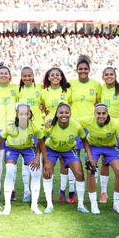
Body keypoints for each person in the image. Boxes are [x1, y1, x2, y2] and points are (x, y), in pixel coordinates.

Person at [0, 103, 48, 215]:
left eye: (26, 113)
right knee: (9, 171)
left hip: (28, 148)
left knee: (36, 172)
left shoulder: (34, 126)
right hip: (12, 148)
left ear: (30, 115)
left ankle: (34, 205)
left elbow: (42, 142)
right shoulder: (10, 126)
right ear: (17, 114)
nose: (23, 116)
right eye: (21, 113)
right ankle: (7, 206)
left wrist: (39, 158)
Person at [43, 103, 93, 214]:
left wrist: (90, 157)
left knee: (79, 174)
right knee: (47, 173)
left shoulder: (76, 126)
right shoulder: (50, 125)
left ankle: (80, 204)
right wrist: (41, 158)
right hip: (51, 149)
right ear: (57, 114)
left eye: (66, 112)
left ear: (70, 113)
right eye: (61, 112)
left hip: (69, 150)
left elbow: (85, 141)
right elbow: (41, 140)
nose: (64, 115)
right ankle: (49, 204)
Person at [77, 104, 119, 214]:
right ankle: (94, 204)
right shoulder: (88, 120)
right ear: (94, 114)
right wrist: (53, 121)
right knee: (90, 171)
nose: (101, 116)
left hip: (110, 148)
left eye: (103, 113)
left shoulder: (115, 123)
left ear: (107, 114)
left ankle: (116, 204)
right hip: (93, 147)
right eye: (98, 113)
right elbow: (72, 122)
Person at [68, 55, 101, 204]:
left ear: (89, 70)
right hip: (74, 127)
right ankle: (72, 191)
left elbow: (99, 105)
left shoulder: (96, 85)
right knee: (73, 159)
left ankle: (93, 193)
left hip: (91, 128)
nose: (83, 71)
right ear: (76, 70)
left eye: (85, 69)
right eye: (80, 69)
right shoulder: (70, 85)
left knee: (91, 160)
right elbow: (66, 105)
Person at [41, 67, 72, 204]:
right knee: (48, 161)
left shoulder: (67, 91)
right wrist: (44, 117)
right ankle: (50, 190)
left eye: (57, 75)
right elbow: (40, 108)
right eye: (52, 75)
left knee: (64, 160)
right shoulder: (43, 92)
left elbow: (70, 109)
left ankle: (63, 190)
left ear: (61, 77)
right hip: (49, 128)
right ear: (48, 77)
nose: (55, 77)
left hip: (64, 127)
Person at [97, 67, 119, 203]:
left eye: (111, 74)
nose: (109, 76)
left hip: (118, 129)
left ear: (115, 76)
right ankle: (103, 192)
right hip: (104, 129)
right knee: (104, 161)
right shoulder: (101, 89)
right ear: (103, 76)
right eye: (106, 74)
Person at [15, 66, 44, 202]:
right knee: (25, 161)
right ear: (21, 77)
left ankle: (37, 189)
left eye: (29, 75)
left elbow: (45, 104)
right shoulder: (18, 90)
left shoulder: (39, 88)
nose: (27, 78)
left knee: (37, 159)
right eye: (24, 76)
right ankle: (27, 190)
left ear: (33, 76)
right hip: (23, 129)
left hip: (37, 128)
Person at [0, 65, 17, 200]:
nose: (4, 75)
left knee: (11, 161)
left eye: (6, 73)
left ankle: (11, 189)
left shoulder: (15, 89)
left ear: (10, 75)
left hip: (12, 130)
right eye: (1, 73)